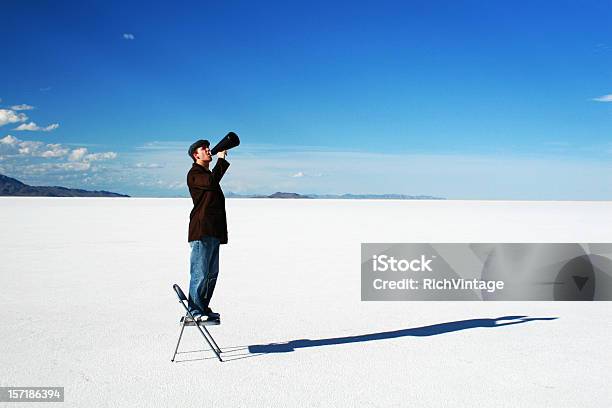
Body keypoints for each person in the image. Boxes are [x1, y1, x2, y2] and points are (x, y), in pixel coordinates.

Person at [186, 139, 230, 322]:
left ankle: (203, 306)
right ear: (196, 155)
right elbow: (212, 180)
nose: (208, 150)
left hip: (213, 232)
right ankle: (193, 310)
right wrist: (221, 160)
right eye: (203, 148)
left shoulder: (206, 174)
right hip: (201, 231)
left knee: (212, 274)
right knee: (200, 272)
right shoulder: (194, 174)